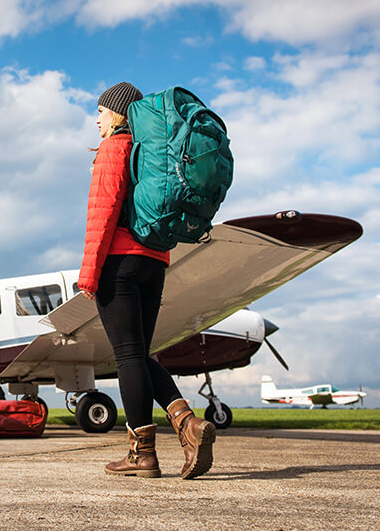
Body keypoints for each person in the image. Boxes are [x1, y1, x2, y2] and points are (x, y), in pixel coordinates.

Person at [77, 82, 216, 480]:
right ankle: (188, 423)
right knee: (140, 354)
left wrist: (89, 274)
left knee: (127, 358)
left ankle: (142, 455)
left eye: (100, 111)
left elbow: (102, 215)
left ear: (117, 113)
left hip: (118, 264)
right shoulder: (152, 151)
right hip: (155, 261)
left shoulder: (115, 148)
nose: (96, 119)